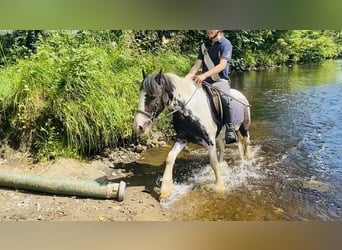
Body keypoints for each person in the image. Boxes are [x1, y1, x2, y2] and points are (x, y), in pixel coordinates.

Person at [185, 30, 237, 144]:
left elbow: (222, 65)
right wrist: (186, 79)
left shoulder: (226, 44)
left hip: (219, 80)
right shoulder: (204, 45)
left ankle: (230, 128)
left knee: (224, 98)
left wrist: (204, 75)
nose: (209, 30)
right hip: (204, 81)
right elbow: (197, 65)